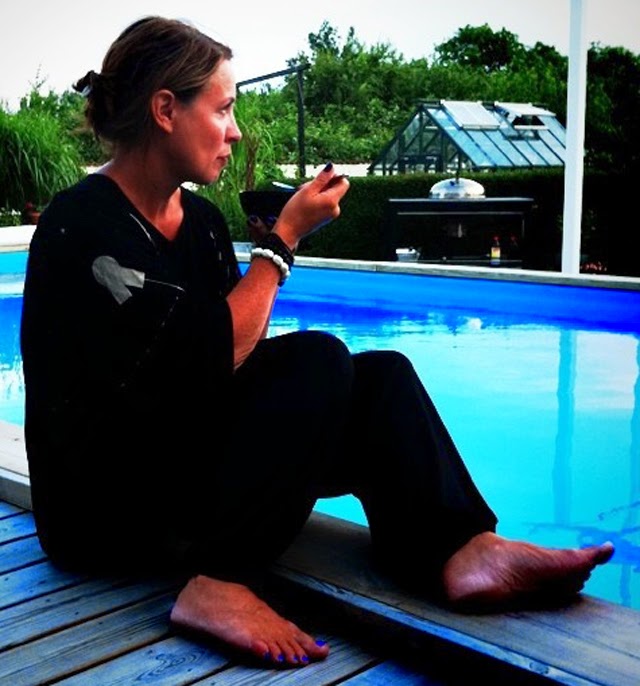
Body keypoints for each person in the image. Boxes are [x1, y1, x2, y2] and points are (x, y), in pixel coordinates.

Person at [20, 15, 614, 670]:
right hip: (105, 516)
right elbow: (213, 352)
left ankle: (460, 549)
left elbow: (237, 364)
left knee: (379, 378)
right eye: (223, 109)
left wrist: (308, 402)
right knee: (319, 358)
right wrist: (282, 242)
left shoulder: (202, 224)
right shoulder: (82, 225)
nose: (235, 131)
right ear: (166, 110)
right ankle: (218, 581)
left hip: (181, 469)